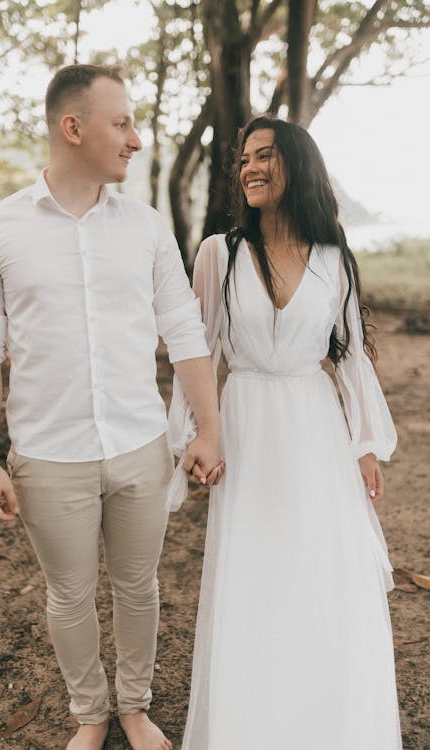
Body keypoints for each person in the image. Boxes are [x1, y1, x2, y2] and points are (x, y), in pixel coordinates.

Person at [0, 64, 224, 750]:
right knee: (69, 596)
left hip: (139, 444)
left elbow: (185, 332)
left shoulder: (147, 228)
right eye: (122, 122)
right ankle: (90, 714)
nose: (135, 139)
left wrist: (209, 427)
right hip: (48, 454)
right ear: (73, 128)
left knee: (138, 587)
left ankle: (134, 706)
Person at [168, 114, 402, 749]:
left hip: (315, 426)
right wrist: (194, 433)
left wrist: (365, 444)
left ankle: (327, 719)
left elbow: (350, 356)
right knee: (253, 573)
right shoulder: (221, 254)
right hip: (246, 424)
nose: (250, 166)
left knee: (323, 570)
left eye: (265, 155)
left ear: (298, 166)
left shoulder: (335, 260)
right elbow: (199, 352)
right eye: (243, 157)